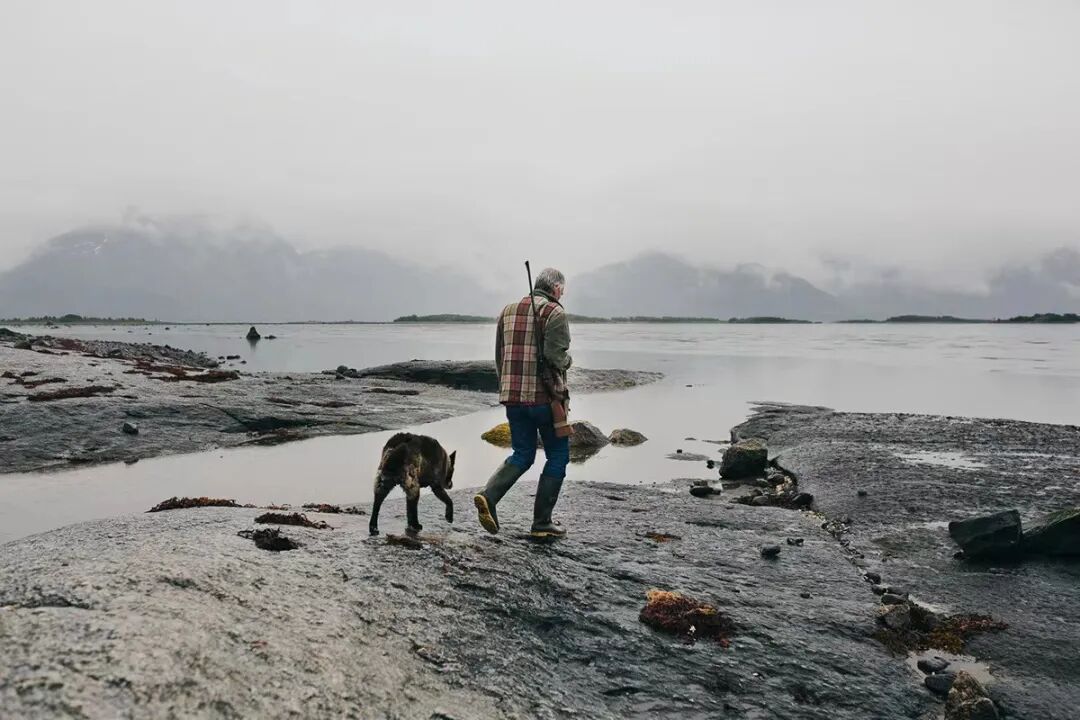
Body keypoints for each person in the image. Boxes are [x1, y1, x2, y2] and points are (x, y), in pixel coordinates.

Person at [474, 267, 572, 538]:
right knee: (558, 454)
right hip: (544, 400)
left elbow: (499, 357)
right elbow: (556, 357)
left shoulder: (506, 311)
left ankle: (489, 496)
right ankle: (542, 523)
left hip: (512, 398)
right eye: (562, 290)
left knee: (522, 454)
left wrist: (507, 388)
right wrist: (568, 362)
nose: (562, 295)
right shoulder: (555, 312)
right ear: (555, 289)